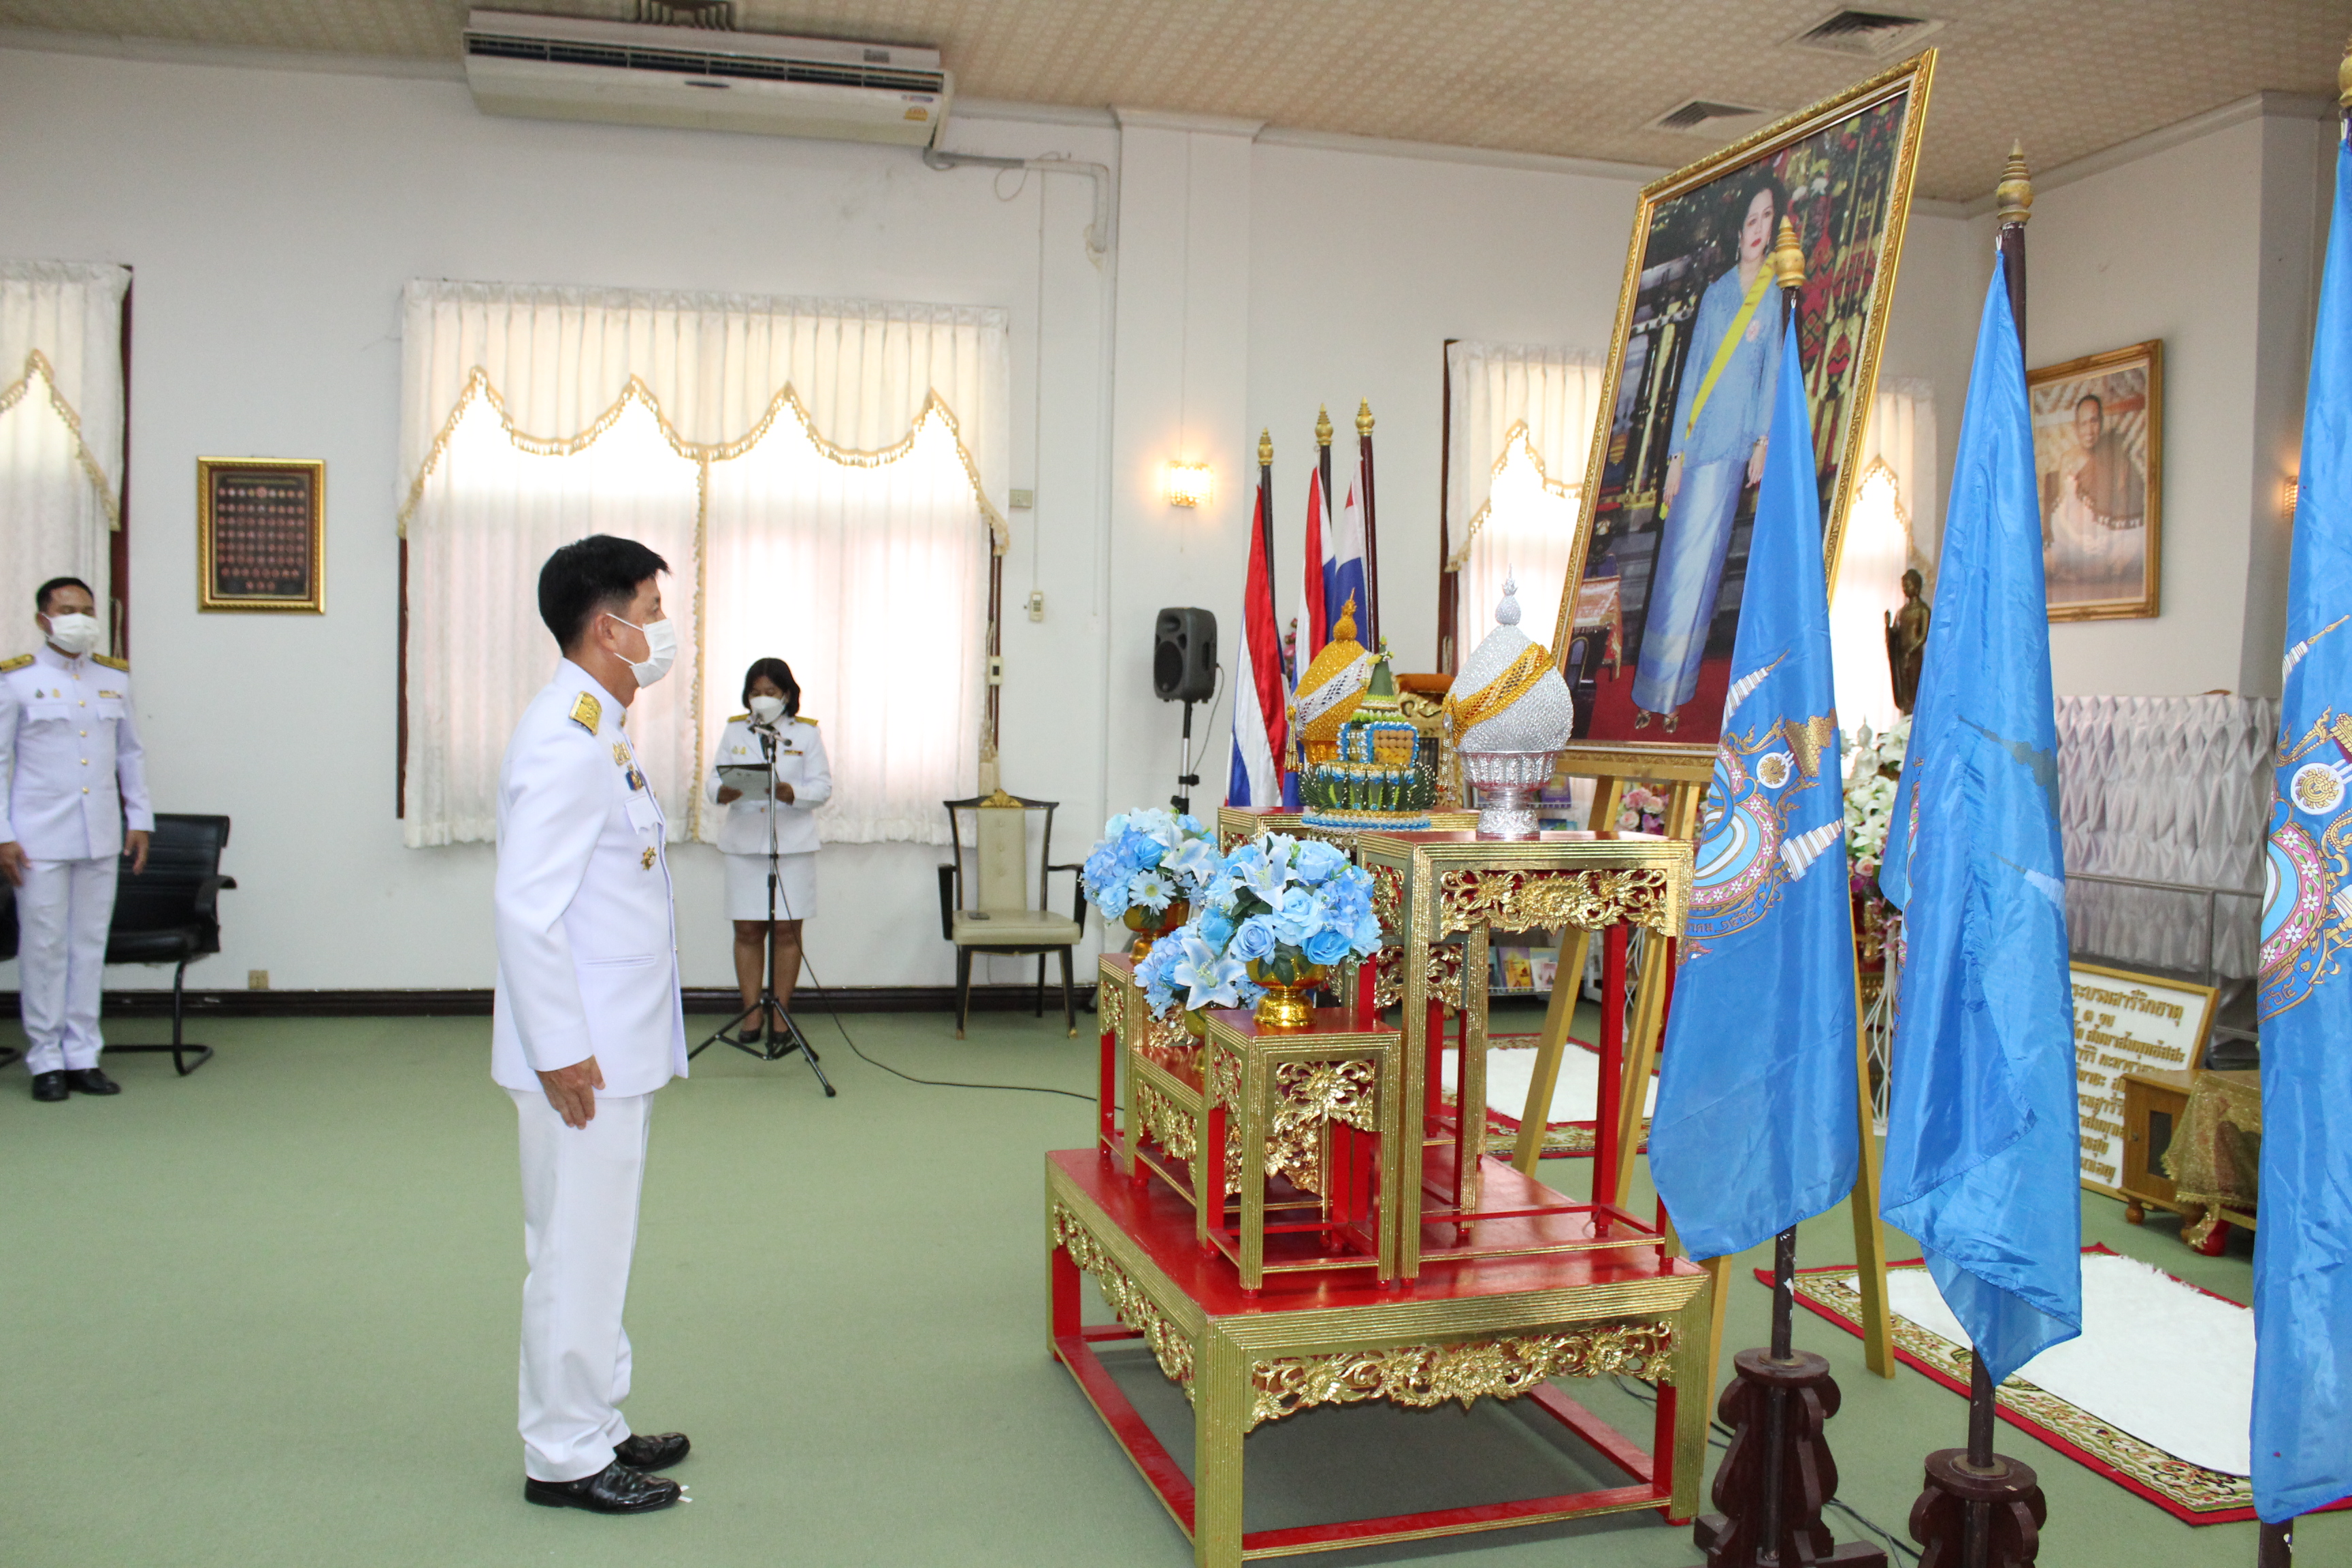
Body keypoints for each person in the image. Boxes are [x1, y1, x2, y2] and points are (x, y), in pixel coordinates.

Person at [493, 534, 693, 1515]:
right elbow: (526, 910)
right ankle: (565, 1456)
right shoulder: (566, 740)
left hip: (609, 1040)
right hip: (583, 1053)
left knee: (590, 1239)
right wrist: (562, 1051)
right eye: (652, 610)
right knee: (576, 1245)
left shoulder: (599, 726)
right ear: (607, 625)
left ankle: (596, 1414)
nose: (663, 628)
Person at [1635, 170, 1789, 731]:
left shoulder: (1774, 295)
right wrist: (1675, 456)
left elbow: (1771, 373)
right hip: (1697, 448)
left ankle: (1677, 696)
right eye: (1750, 218)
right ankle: (1650, 691)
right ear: (1737, 229)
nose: (1758, 228)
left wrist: (1762, 444)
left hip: (1733, 453)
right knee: (1676, 571)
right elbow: (1694, 372)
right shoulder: (1717, 293)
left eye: (1767, 217)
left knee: (1704, 576)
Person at [0, 576, 150, 1102]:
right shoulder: (17, 680)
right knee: (43, 947)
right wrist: (3, 835)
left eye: (87, 609)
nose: (80, 618)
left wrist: (140, 819)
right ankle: (45, 1060)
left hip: (101, 834)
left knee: (88, 947)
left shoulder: (113, 679)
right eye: (67, 609)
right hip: (37, 838)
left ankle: (83, 1054)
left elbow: (130, 754)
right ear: (44, 619)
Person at [706, 657, 829, 1043]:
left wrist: (795, 793)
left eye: (770, 693)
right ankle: (750, 1015)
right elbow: (713, 781)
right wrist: (721, 792)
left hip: (791, 846)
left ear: (787, 695)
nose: (762, 699)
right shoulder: (734, 732)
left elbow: (823, 787)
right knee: (746, 930)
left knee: (787, 932)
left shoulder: (805, 735)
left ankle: (781, 1015)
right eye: (755, 693)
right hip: (744, 844)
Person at [2042, 391, 2146, 600]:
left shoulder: (2115, 457)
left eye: (2094, 422)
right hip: (2072, 540)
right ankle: (2088, 568)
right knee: (2045, 561)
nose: (2089, 431)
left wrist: (2109, 538)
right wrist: (2080, 540)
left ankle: (2101, 566)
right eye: (2083, 424)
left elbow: (2124, 509)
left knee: (2136, 547)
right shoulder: (2069, 460)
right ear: (2076, 427)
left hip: (2105, 539)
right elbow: (2059, 515)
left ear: (2101, 423)